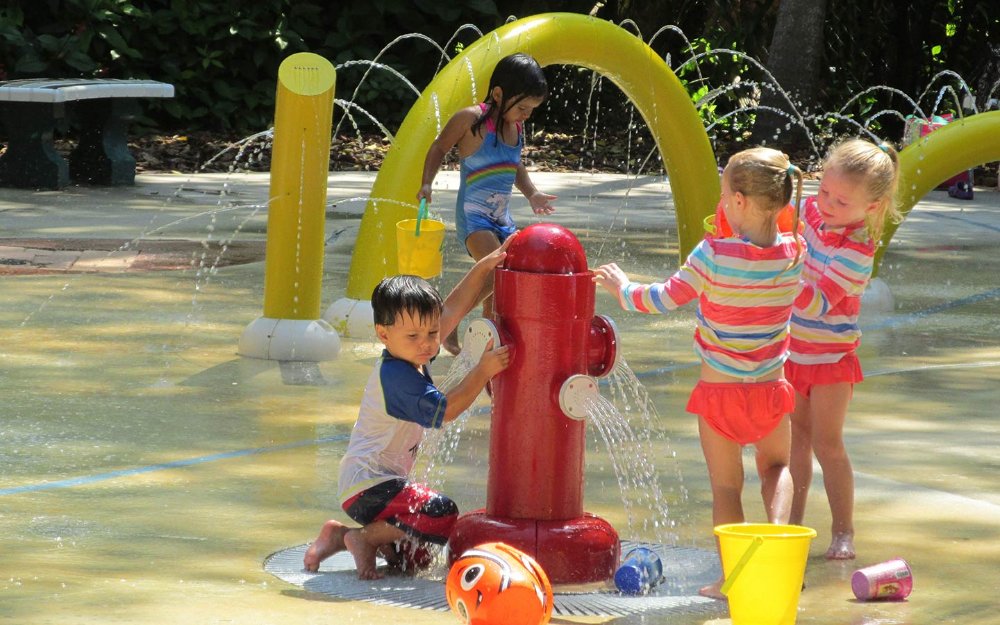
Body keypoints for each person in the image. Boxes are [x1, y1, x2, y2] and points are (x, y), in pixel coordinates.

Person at [593, 147, 806, 599]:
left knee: (727, 487)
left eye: (725, 193)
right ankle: (781, 548)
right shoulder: (795, 253)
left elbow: (660, 298)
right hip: (771, 391)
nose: (722, 202)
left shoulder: (712, 254)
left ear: (741, 201)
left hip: (720, 396)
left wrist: (620, 286)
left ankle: (734, 579)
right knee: (778, 467)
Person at [303, 239, 514, 580]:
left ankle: (339, 536)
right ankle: (362, 538)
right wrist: (482, 370)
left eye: (433, 332)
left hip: (380, 485)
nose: (428, 343)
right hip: (369, 486)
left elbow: (454, 308)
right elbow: (446, 411)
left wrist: (482, 267)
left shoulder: (412, 350)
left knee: (413, 561)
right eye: (415, 336)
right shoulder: (398, 377)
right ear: (383, 334)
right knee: (440, 513)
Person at [787, 138, 901, 560]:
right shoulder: (810, 214)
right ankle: (791, 525)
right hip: (793, 353)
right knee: (794, 442)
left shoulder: (857, 252)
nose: (827, 204)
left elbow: (818, 301)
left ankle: (843, 530)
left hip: (831, 360)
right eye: (824, 192)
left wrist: (780, 278)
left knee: (827, 445)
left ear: (871, 208)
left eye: (841, 200)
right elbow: (780, 222)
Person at [417, 52, 556, 355]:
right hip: (474, 216)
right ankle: (447, 319)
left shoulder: (515, 128)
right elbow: (439, 147)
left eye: (531, 109)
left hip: (502, 218)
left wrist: (531, 193)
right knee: (495, 268)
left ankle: (486, 338)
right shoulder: (470, 120)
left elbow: (514, 165)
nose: (526, 115)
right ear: (498, 94)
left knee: (506, 280)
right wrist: (427, 183)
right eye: (522, 107)